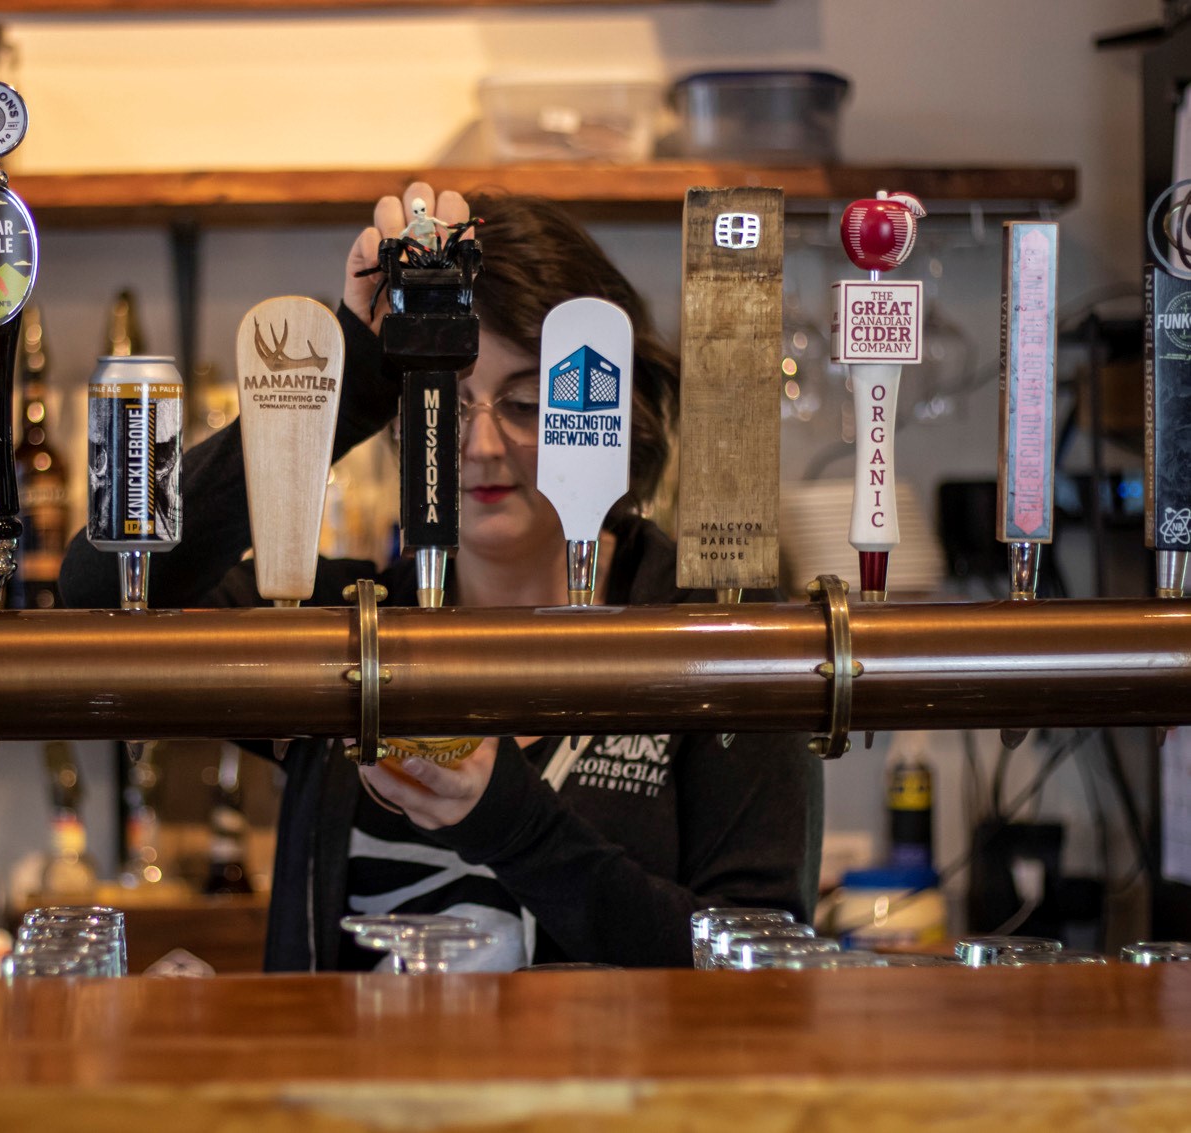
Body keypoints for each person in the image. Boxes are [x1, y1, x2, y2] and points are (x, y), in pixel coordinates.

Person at [59, 184, 821, 971]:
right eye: (445, 405)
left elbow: (761, 969)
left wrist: (515, 827)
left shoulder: (718, 627)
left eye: (527, 403)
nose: (483, 444)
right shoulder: (355, 622)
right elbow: (102, 587)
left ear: (616, 409)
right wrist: (344, 385)